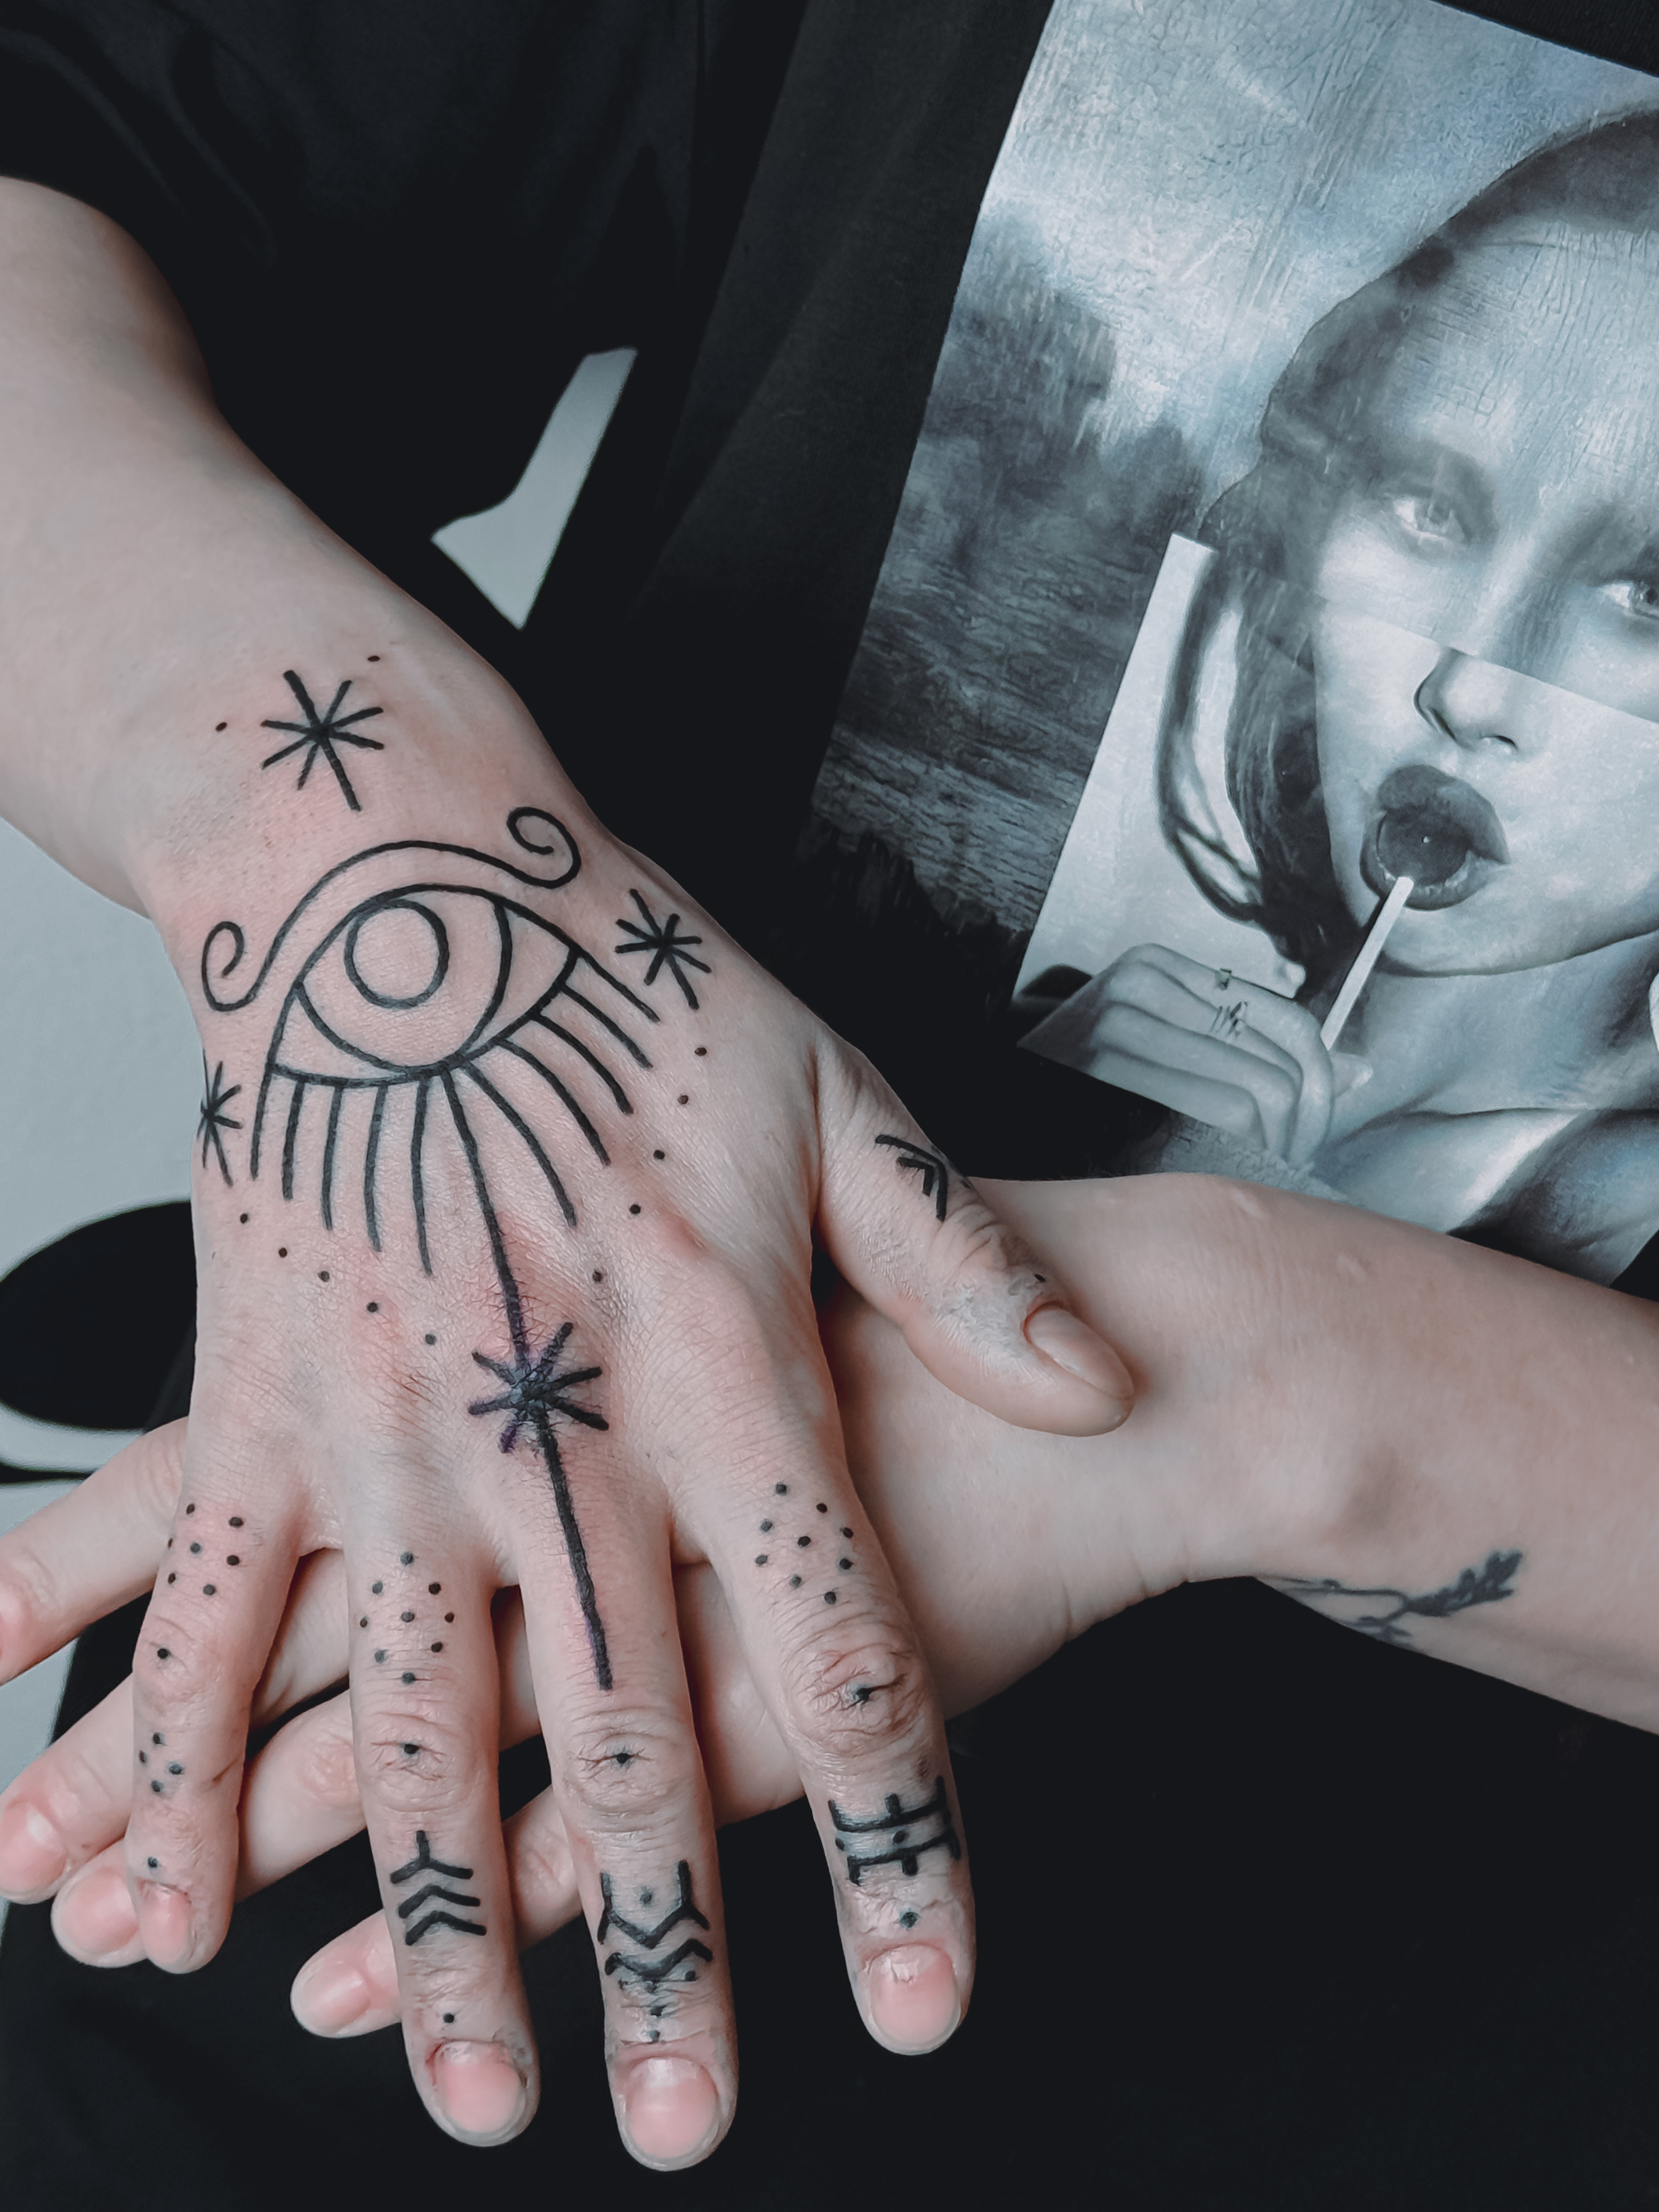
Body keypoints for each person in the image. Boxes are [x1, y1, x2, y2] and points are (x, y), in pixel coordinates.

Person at [1029, 111, 1659, 1283]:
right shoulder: (1070, 1029)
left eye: (1650, 593)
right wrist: (1034, 1123)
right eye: (1430, 508)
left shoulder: (1618, 1236)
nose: (1468, 689)